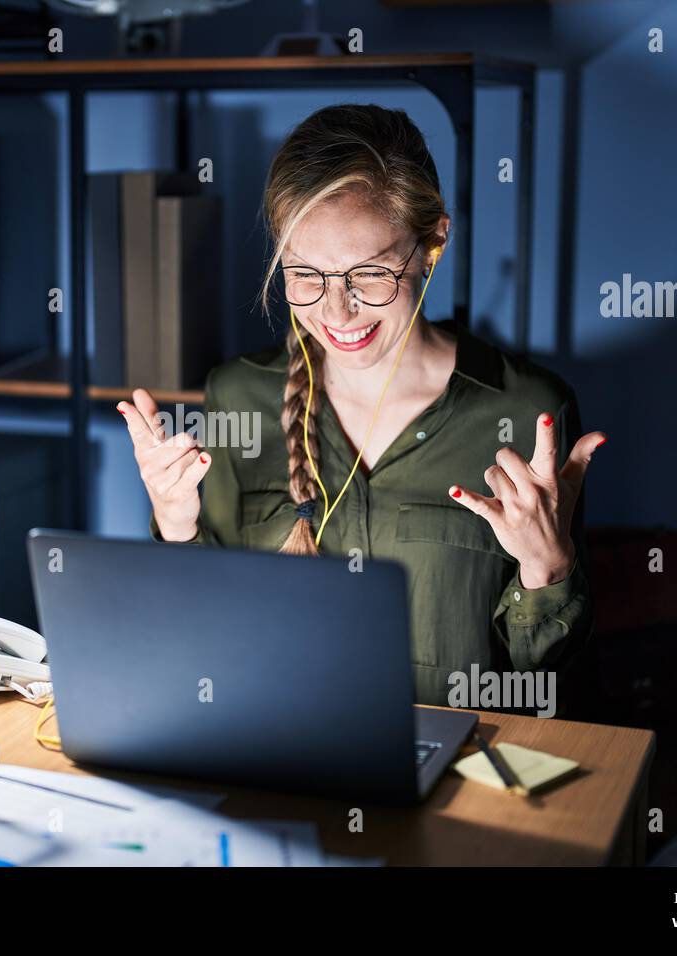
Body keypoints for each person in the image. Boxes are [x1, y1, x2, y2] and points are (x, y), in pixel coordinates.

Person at [118, 104, 606, 706]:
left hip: (461, 780)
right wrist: (175, 523)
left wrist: (547, 568)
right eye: (305, 274)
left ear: (433, 243)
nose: (336, 313)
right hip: (277, 760)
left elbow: (542, 681)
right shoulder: (236, 397)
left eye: (369, 274)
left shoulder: (527, 412)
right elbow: (201, 637)